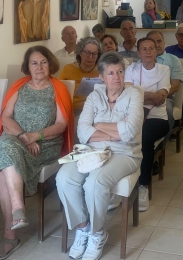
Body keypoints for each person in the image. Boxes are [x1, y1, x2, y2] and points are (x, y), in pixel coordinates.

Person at [0, 46, 73, 259]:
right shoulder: (19, 86)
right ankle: (18, 209)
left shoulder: (58, 88)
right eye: (34, 63)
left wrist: (37, 136)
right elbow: (6, 117)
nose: (39, 67)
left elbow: (62, 124)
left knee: (2, 170)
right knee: (5, 146)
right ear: (28, 66)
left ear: (50, 64)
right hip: (17, 140)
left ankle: (10, 236)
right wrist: (23, 137)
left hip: (45, 145)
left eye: (43, 62)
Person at [57, 52, 143, 260]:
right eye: (111, 73)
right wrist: (114, 133)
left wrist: (99, 125)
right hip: (92, 150)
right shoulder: (94, 97)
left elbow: (130, 131)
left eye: (120, 72)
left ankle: (97, 233)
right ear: (102, 77)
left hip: (125, 152)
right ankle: (83, 227)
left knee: (94, 183)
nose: (116, 77)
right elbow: (83, 131)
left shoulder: (134, 95)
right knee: (64, 178)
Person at [124, 38, 170, 212]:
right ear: (138, 53)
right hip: (134, 116)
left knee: (144, 136)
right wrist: (150, 95)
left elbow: (161, 97)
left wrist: (139, 94)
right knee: (121, 135)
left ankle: (143, 185)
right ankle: (121, 182)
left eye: (151, 48)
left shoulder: (164, 69)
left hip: (158, 119)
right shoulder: (131, 69)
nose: (148, 51)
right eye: (144, 49)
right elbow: (127, 94)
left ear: (156, 51)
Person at [146, 30, 183, 139]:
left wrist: (159, 97)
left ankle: (162, 144)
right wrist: (150, 97)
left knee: (167, 110)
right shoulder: (141, 61)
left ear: (164, 42)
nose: (157, 45)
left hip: (166, 98)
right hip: (145, 97)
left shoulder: (173, 60)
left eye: (159, 41)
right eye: (153, 42)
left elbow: (175, 86)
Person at [58, 37, 101, 113]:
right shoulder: (68, 69)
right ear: (80, 52)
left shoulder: (103, 70)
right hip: (74, 110)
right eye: (87, 53)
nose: (90, 57)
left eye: (94, 54)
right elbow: (58, 91)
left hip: (97, 110)